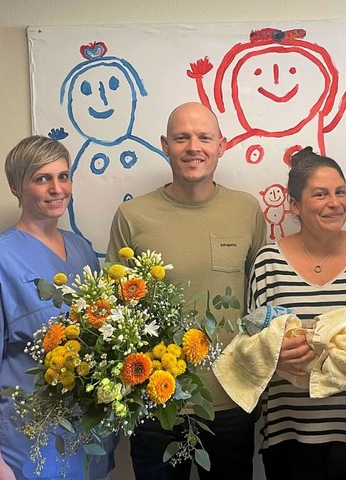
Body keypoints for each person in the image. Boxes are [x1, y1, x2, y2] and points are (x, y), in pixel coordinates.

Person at [106, 101, 267, 479]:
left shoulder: (246, 210)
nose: (194, 147)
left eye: (204, 137)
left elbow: (262, 301)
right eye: (182, 138)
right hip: (154, 403)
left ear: (222, 145)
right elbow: (116, 312)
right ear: (165, 144)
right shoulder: (132, 217)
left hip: (230, 398)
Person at [0, 136, 115, 480]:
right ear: (15, 187)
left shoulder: (81, 250)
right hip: (22, 443)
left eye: (63, 176)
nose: (57, 189)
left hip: (83, 438)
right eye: (42, 179)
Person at [248, 146, 346, 480]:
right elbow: (253, 350)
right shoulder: (267, 263)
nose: (335, 203)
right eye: (320, 194)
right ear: (294, 205)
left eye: (340, 192)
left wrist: (324, 370)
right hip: (289, 441)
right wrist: (275, 357)